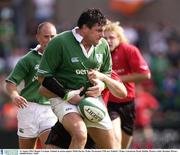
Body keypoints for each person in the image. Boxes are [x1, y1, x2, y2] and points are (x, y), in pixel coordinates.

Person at [37, 8, 120, 149]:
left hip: (92, 101)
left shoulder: (103, 45)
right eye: (98, 30)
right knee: (80, 133)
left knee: (112, 148)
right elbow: (43, 77)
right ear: (85, 28)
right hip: (64, 99)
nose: (102, 35)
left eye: (103, 30)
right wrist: (67, 95)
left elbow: (106, 74)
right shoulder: (59, 42)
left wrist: (101, 86)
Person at [40, 70, 127, 149]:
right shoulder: (67, 67)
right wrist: (67, 95)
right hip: (70, 119)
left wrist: (105, 79)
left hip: (95, 121)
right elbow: (42, 90)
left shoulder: (103, 69)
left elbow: (123, 93)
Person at [5, 22, 57, 149]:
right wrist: (14, 95)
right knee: (27, 152)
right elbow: (11, 83)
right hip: (28, 109)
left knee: (52, 149)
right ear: (37, 37)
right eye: (46, 36)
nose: (50, 40)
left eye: (53, 36)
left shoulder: (61, 58)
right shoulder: (27, 59)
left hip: (50, 109)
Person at [103, 20, 151, 149]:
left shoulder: (130, 50)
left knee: (123, 147)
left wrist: (116, 79)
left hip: (128, 102)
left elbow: (145, 74)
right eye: (105, 38)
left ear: (119, 38)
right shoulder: (99, 53)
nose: (108, 41)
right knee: (115, 142)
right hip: (109, 103)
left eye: (111, 37)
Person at [132, 84, 159, 149]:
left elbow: (155, 106)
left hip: (145, 123)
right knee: (136, 140)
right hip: (135, 123)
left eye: (138, 88)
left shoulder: (146, 96)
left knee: (148, 138)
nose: (136, 90)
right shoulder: (132, 97)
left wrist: (149, 112)